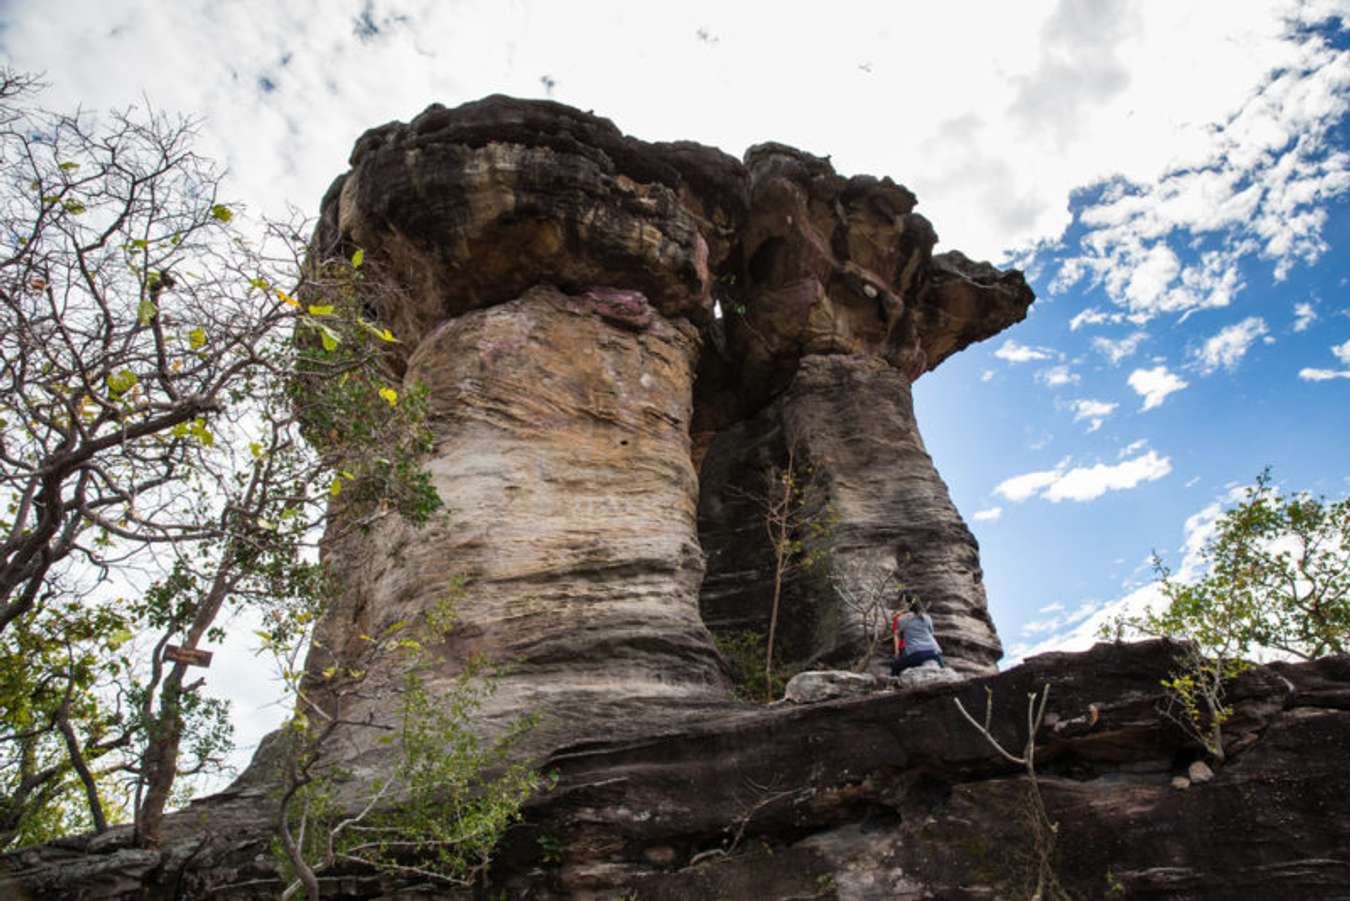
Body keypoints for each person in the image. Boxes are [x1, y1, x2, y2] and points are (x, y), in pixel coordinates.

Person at [890, 599, 944, 676]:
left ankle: (892, 686)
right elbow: (931, 632)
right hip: (934, 651)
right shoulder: (927, 617)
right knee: (942, 670)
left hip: (916, 653)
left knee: (895, 667)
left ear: (907, 606)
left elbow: (899, 636)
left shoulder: (901, 619)